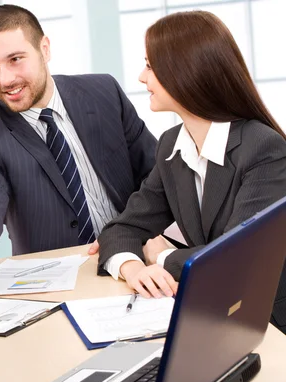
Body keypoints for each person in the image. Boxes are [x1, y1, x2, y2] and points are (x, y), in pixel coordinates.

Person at [96, 11, 286, 306]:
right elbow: (122, 229)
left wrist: (159, 255)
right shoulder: (172, 145)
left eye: (150, 66)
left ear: (186, 71)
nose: (141, 77)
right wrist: (132, 268)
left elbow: (234, 261)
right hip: (207, 308)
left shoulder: (264, 148)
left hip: (264, 318)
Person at [0, 4, 157, 259]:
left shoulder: (103, 92)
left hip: (133, 254)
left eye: (15, 59)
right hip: (56, 281)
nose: (5, 79)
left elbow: (155, 171)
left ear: (44, 49)